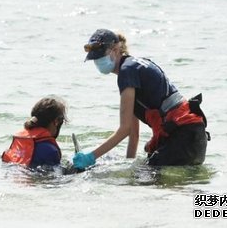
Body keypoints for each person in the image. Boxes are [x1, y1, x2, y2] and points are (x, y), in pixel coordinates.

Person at [73, 29, 209, 170]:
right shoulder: (134, 66)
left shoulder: (127, 72)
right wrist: (128, 165)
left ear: (115, 49)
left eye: (101, 56)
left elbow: (124, 129)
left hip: (182, 138)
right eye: (95, 59)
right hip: (194, 137)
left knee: (151, 182)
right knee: (149, 181)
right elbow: (133, 133)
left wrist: (91, 157)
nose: (98, 61)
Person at [2, 96, 67, 168]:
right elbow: (55, 178)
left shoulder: (19, 143)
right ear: (56, 121)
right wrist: (78, 170)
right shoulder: (50, 151)